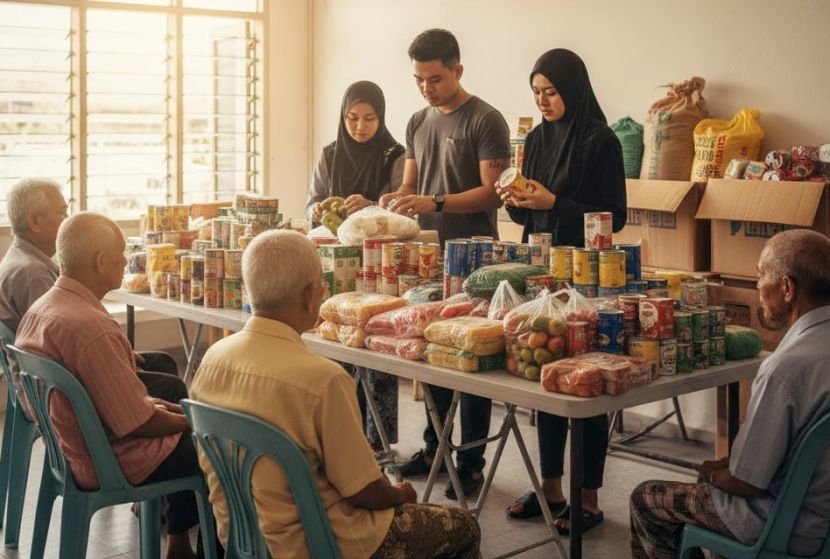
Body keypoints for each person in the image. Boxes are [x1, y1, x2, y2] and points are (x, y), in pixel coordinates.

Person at [190, 231, 480, 559]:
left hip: (239, 537)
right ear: (311, 294)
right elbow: (362, 490)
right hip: (320, 543)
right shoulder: (322, 379)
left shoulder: (212, 359)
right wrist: (398, 494)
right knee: (463, 526)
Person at [15, 212, 207, 559]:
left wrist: (161, 407)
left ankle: (179, 541)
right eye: (122, 255)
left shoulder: (44, 307)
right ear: (102, 262)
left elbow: (129, 403)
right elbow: (138, 422)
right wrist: (193, 422)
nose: (127, 262)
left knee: (163, 382)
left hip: (71, 446)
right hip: (105, 459)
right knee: (218, 450)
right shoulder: (92, 328)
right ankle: (204, 549)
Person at [630, 229, 830, 559]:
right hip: (822, 517)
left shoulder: (784, 369)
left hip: (788, 522)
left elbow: (748, 482)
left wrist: (713, 473)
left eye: (760, 276)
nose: (757, 287)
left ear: (787, 288)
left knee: (647, 498)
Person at [497, 49, 626, 533]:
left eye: (550, 92)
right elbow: (528, 215)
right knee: (545, 377)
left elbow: (615, 213)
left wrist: (556, 202)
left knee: (584, 385)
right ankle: (550, 487)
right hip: (542, 274)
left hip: (587, 277)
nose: (543, 101)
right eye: (536, 93)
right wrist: (515, 202)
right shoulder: (534, 139)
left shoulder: (600, 140)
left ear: (572, 88)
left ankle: (588, 499)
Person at [379, 28, 511, 499]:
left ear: (457, 70)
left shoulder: (486, 119)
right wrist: (392, 200)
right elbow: (409, 184)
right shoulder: (417, 120)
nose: (426, 89)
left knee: (469, 357)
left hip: (475, 258)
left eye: (435, 79)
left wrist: (432, 201)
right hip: (427, 258)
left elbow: (490, 193)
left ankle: (471, 459)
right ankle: (435, 445)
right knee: (431, 349)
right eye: (418, 79)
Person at [0, 178, 179, 417]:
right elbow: (65, 339)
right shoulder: (32, 274)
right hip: (57, 389)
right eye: (62, 213)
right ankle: (156, 442)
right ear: (35, 222)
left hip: (44, 377)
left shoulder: (20, 258)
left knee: (159, 361)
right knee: (171, 384)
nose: (67, 221)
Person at [306, 81, 405, 451]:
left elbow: (400, 208)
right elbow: (311, 200)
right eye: (352, 118)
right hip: (335, 266)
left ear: (381, 117)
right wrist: (316, 208)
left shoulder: (394, 154)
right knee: (336, 349)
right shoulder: (331, 154)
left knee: (376, 346)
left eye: (369, 118)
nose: (360, 127)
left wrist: (371, 205)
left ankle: (378, 441)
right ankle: (340, 437)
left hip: (379, 268)